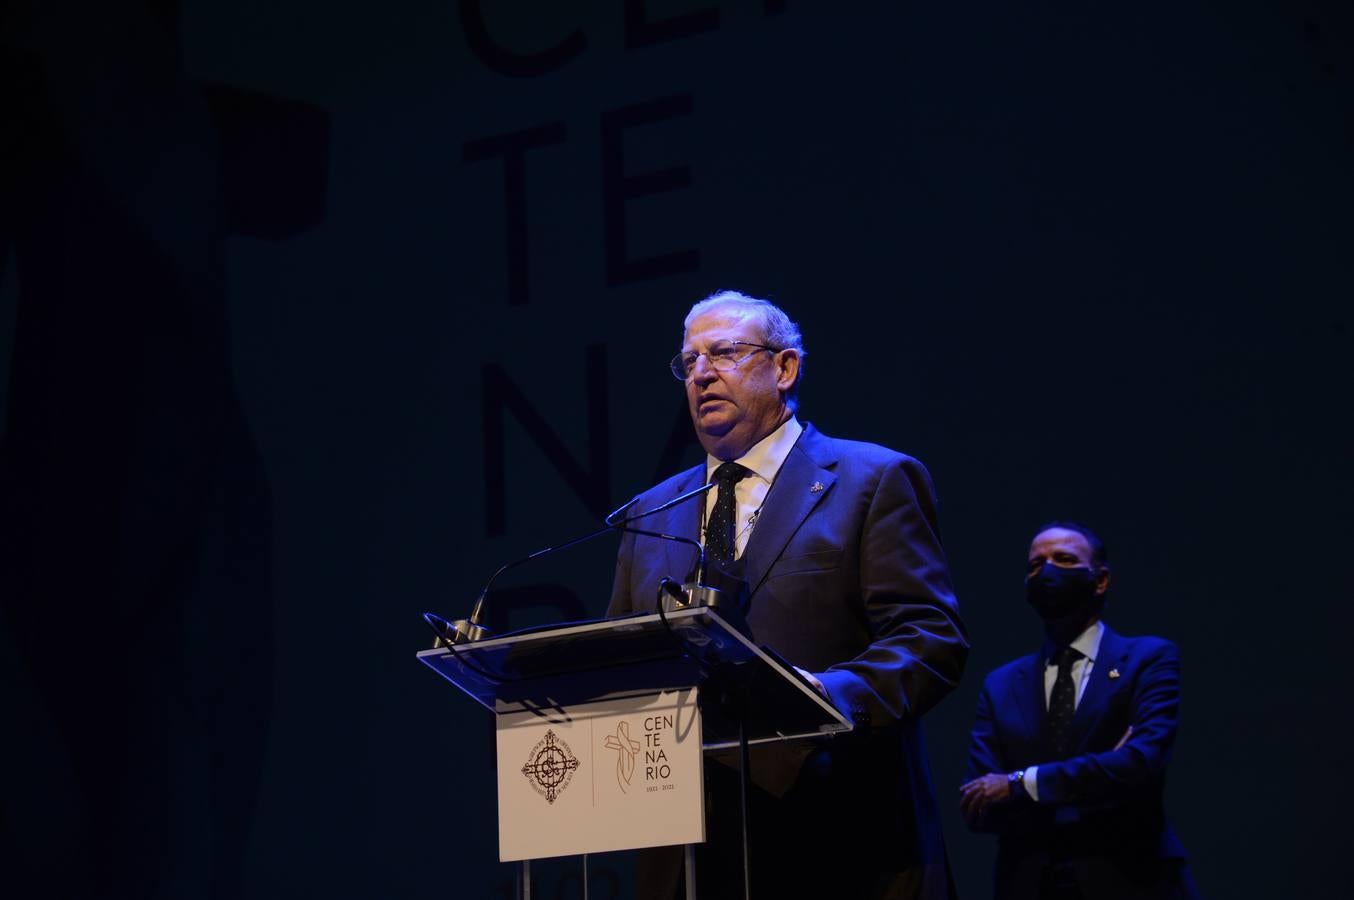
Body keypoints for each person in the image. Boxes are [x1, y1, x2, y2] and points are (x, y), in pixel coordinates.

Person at [608, 290, 968, 900]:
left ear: (785, 368)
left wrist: (825, 696)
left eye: (723, 353)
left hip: (837, 836)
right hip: (688, 853)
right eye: (687, 362)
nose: (701, 374)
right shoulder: (649, 512)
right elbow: (620, 661)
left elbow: (929, 641)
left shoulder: (872, 480)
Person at [959, 523, 1197, 900]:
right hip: (1030, 885)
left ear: (1100, 580)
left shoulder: (1147, 660)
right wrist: (1103, 777)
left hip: (1133, 881)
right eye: (1035, 565)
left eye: (1065, 559)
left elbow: (1140, 763)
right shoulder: (1002, 685)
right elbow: (980, 806)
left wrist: (1019, 785)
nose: (1047, 570)